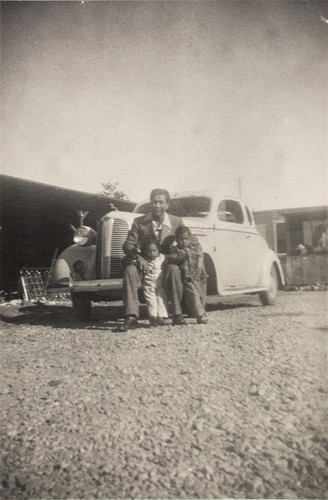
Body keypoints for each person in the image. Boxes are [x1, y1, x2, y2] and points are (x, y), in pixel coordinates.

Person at [120, 188, 186, 331]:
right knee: (130, 270)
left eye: (161, 202)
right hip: (144, 264)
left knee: (174, 270)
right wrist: (138, 258)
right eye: (154, 202)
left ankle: (177, 314)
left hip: (166, 264)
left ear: (167, 205)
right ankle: (131, 316)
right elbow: (128, 244)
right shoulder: (140, 222)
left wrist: (167, 258)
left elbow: (184, 248)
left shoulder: (176, 222)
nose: (157, 205)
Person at [166, 226, 208, 324]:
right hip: (186, 277)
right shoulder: (176, 250)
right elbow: (171, 258)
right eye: (181, 239)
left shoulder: (194, 249)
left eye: (186, 239)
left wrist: (200, 268)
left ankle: (198, 311)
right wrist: (179, 257)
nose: (184, 242)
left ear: (190, 238)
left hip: (196, 275)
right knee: (192, 292)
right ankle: (200, 315)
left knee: (199, 293)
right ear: (177, 240)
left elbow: (200, 256)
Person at [140, 238, 168, 326]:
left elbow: (170, 259)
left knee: (161, 297)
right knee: (150, 299)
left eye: (154, 251)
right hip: (148, 283)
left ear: (158, 250)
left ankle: (161, 316)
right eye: (149, 251)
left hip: (160, 282)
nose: (152, 253)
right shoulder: (145, 260)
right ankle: (153, 316)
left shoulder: (162, 258)